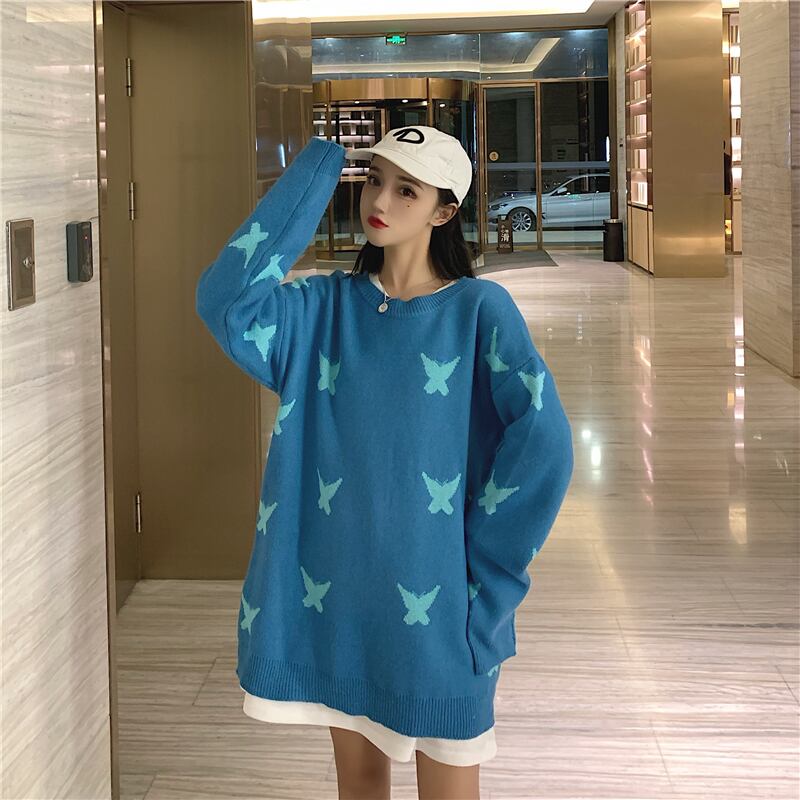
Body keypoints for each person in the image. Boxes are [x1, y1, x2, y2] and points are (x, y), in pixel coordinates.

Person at [195, 126, 574, 800]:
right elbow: (225, 301)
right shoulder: (320, 310)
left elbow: (544, 443)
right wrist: (319, 167)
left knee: (450, 783)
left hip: (443, 605)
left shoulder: (478, 311)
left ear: (444, 211)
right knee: (360, 785)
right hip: (337, 599)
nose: (380, 201)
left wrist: (487, 572)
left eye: (407, 190)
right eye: (374, 179)